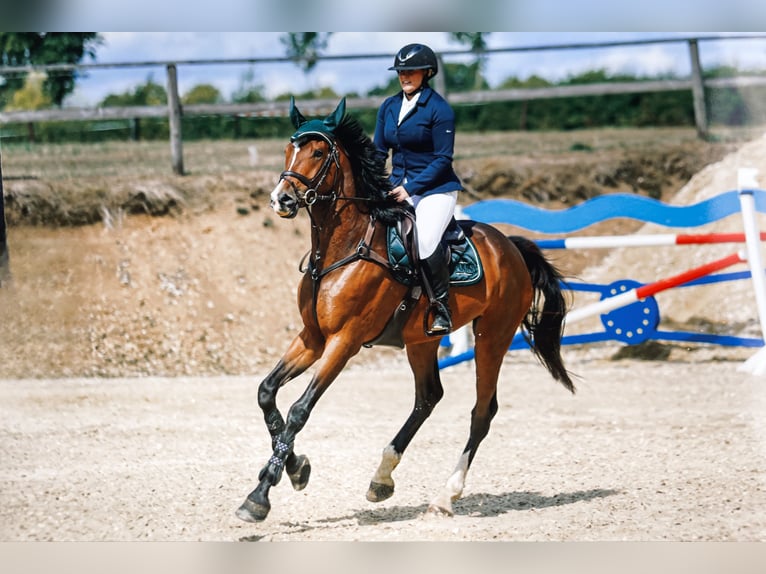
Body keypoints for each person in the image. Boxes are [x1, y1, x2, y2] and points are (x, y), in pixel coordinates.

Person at [373, 43, 462, 336]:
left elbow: (442, 159)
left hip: (436, 189)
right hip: (398, 186)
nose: (404, 76)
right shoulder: (388, 106)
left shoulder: (439, 109)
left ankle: (441, 308)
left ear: (427, 72)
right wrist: (373, 182)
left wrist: (410, 189)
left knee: (423, 242)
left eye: (410, 71)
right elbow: (378, 151)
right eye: (401, 71)